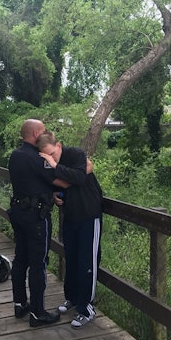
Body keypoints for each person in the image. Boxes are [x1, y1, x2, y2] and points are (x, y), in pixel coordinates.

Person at [36, 131, 103, 328]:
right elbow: (51, 181)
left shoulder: (75, 154)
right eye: (46, 156)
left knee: (87, 262)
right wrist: (56, 192)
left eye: (53, 154)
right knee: (71, 259)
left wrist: (55, 165)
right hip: (70, 215)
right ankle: (72, 298)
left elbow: (80, 177)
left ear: (59, 145)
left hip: (89, 215)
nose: (51, 158)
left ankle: (86, 308)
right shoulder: (48, 162)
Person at [8, 119, 61, 327]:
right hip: (36, 218)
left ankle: (20, 304)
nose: (45, 133)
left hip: (18, 214)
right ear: (35, 133)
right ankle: (38, 313)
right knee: (38, 264)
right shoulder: (37, 158)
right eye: (43, 130)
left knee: (21, 259)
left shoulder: (16, 155)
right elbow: (57, 177)